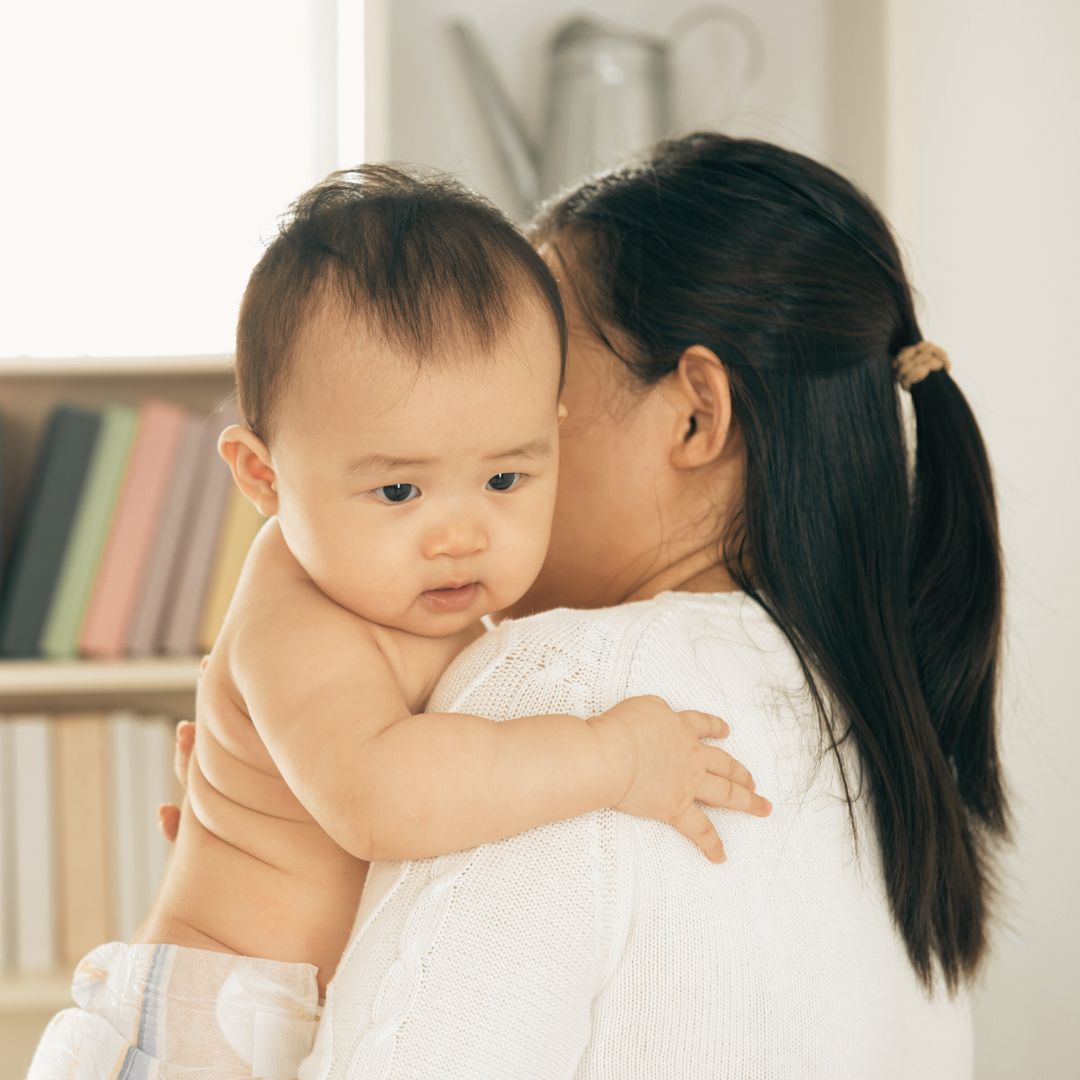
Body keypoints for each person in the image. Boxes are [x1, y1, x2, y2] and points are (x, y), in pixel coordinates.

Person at [173, 131, 1005, 1079]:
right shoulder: (876, 725)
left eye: (529, 413)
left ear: (696, 414)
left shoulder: (567, 687)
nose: (464, 522)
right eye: (405, 479)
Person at [26, 165, 769, 1079]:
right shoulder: (297, 612)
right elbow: (385, 796)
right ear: (262, 477)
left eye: (506, 478)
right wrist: (609, 756)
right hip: (209, 1028)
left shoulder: (426, 604)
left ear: (555, 433)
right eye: (397, 489)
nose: (459, 535)